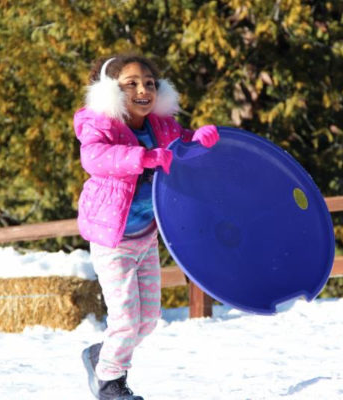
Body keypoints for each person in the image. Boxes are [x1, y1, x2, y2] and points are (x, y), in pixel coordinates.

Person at [74, 53, 219, 400]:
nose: (143, 89)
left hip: (145, 237)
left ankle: (101, 355)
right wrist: (141, 157)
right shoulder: (100, 124)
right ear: (110, 91)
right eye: (131, 83)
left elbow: (182, 146)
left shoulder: (161, 126)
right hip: (113, 240)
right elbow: (93, 157)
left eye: (150, 83)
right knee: (125, 322)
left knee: (148, 321)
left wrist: (200, 140)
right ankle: (110, 384)